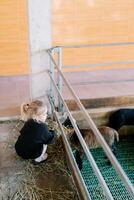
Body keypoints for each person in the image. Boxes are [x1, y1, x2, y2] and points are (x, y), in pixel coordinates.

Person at [15, 100, 56, 165]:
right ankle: (38, 159)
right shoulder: (42, 128)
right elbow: (50, 139)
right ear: (38, 116)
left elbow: (22, 132)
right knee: (44, 143)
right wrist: (53, 132)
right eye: (45, 114)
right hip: (29, 154)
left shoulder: (28, 122)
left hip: (19, 149)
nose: (46, 115)